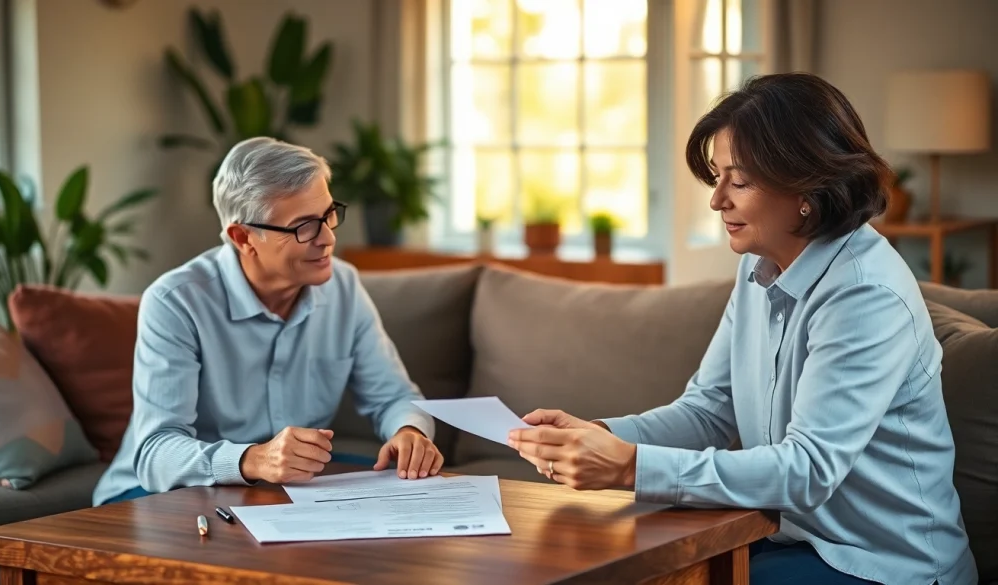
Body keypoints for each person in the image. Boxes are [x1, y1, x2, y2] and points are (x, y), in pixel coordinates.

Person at [507, 73, 977, 585]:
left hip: (882, 563)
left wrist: (628, 467)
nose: (717, 200)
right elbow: (709, 410)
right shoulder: (759, 266)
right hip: (789, 539)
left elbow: (808, 469)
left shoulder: (866, 293)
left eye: (742, 180)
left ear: (807, 187)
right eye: (717, 176)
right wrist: (602, 435)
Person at [93, 137, 442, 507]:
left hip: (275, 489)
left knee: (408, 494)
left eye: (329, 214)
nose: (327, 238)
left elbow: (394, 397)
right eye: (304, 226)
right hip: (152, 494)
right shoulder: (175, 302)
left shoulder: (344, 285)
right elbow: (156, 454)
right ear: (243, 237)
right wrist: (254, 459)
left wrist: (409, 431)